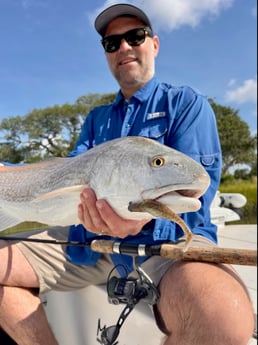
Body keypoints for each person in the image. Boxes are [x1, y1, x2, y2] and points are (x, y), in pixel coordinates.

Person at [0, 4, 254, 345]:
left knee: (223, 317)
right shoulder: (97, 119)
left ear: (154, 44)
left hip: (167, 247)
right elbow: (65, 172)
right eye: (112, 43)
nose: (124, 48)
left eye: (135, 36)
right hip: (86, 245)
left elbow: (197, 197)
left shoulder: (186, 105)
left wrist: (144, 222)